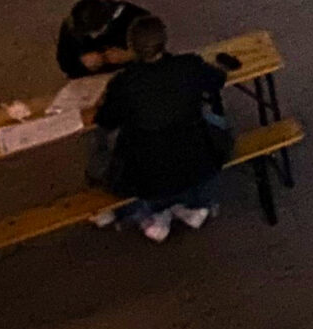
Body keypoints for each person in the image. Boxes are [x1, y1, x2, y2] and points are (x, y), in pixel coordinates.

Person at [96, 16, 234, 243]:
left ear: (131, 48)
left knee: (103, 144)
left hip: (148, 176)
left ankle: (147, 211)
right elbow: (216, 79)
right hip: (197, 163)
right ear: (165, 40)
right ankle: (192, 203)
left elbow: (106, 120)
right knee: (217, 121)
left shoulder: (124, 83)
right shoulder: (189, 66)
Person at [60, 0, 155, 77]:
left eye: (96, 32)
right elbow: (66, 64)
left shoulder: (135, 18)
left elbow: (156, 49)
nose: (94, 37)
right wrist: (82, 62)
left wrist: (131, 55)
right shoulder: (72, 26)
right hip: (92, 81)